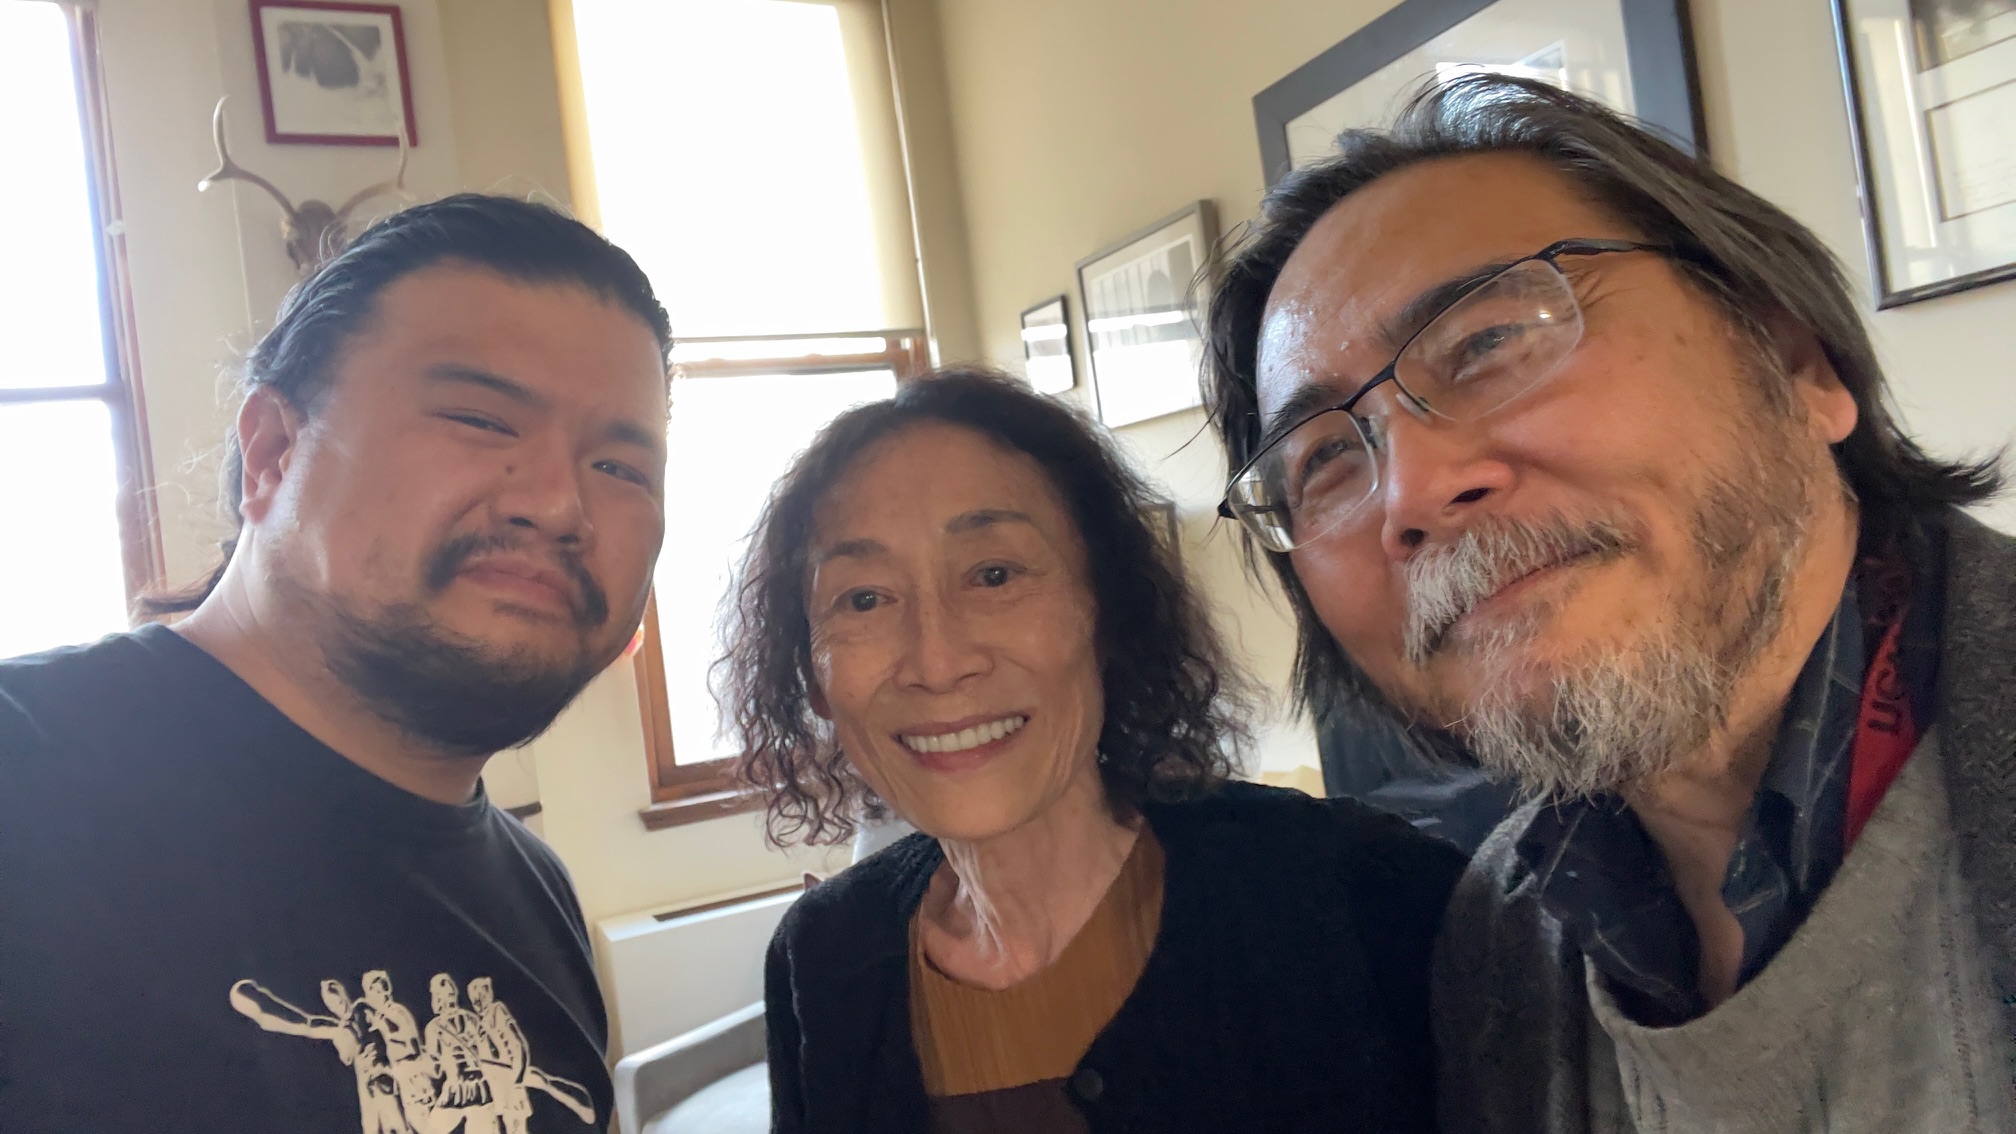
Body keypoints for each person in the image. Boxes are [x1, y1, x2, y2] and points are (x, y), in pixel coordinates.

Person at [1203, 74, 2015, 1132]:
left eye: (1490, 343)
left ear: (1795, 359)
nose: (1412, 492)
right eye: (1320, 461)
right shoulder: (1498, 937)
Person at [0, 194, 671, 1132]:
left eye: (621, 468)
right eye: (481, 419)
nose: (561, 503)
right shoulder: (26, 778)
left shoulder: (535, 894)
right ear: (273, 451)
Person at [721, 368, 1466, 1133]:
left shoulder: (1367, 897)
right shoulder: (821, 960)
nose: (937, 663)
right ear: (812, 672)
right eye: (865, 599)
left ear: (1105, 609)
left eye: (994, 574)